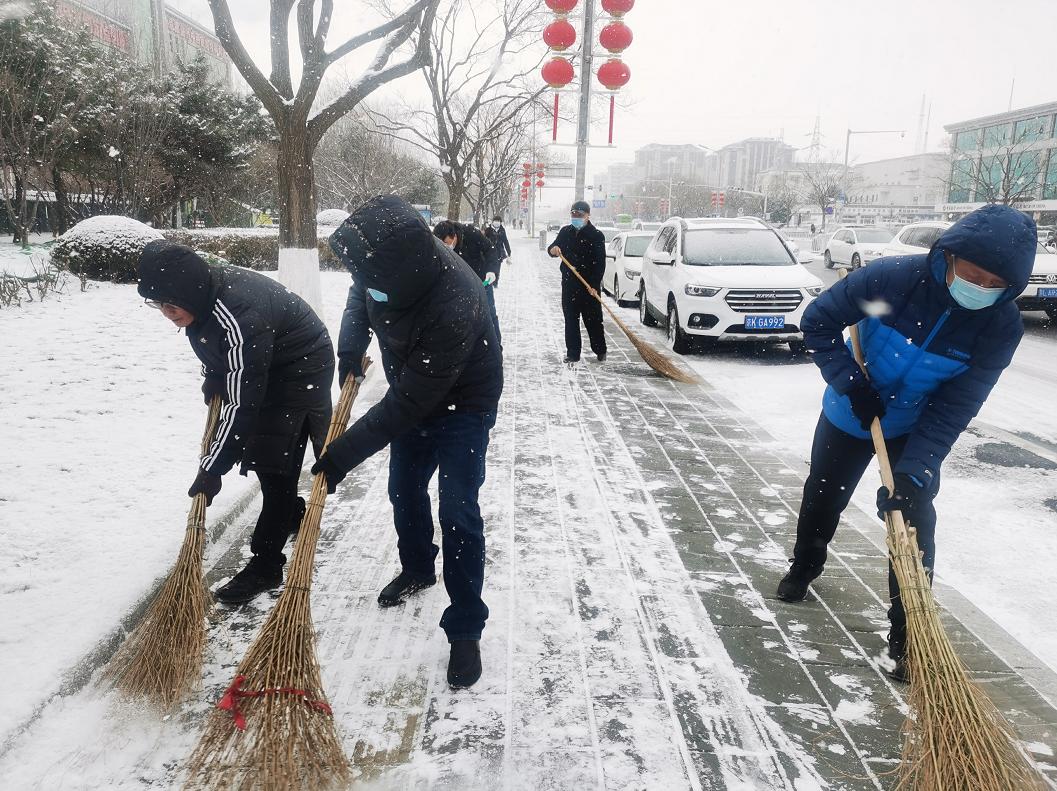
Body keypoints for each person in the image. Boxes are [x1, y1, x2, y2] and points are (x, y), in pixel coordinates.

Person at [775, 204, 1036, 681]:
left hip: (914, 427)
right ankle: (804, 566)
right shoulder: (892, 281)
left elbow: (958, 404)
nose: (979, 288)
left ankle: (907, 632)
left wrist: (917, 471)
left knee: (912, 521)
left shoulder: (998, 327)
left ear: (1010, 287)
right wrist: (851, 384)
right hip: (850, 412)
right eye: (971, 274)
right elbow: (819, 323)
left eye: (993, 283)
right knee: (824, 494)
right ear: (949, 257)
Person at [314, 195, 503, 689]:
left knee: (458, 507)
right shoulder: (383, 268)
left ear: (402, 275)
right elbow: (361, 295)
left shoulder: (455, 299)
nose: (367, 287)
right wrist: (351, 347)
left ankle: (465, 626)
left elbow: (409, 404)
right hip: (415, 387)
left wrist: (342, 456)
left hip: (464, 399)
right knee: (404, 489)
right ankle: (419, 568)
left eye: (375, 282)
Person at [137, 241, 334, 603]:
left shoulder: (240, 313)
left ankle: (266, 564)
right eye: (157, 303)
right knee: (268, 459)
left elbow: (242, 404)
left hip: (301, 366)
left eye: (171, 302)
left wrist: (213, 468)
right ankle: (291, 512)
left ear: (188, 291)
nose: (166, 312)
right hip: (267, 359)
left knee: (275, 465)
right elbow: (218, 345)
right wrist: (216, 372)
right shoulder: (201, 300)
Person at [548, 200, 607, 363]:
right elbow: (553, 248)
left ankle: (600, 350)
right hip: (569, 285)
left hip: (589, 287)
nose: (576, 217)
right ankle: (573, 354)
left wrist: (594, 285)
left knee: (593, 321)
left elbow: (600, 264)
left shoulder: (596, 235)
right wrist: (553, 250)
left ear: (588, 216)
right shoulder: (565, 232)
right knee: (571, 320)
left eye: (580, 215)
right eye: (574, 214)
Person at [434, 219, 501, 345]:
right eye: (442, 245)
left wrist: (492, 271)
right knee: (464, 318)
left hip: (482, 282)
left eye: (447, 243)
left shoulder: (470, 233)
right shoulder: (437, 246)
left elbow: (490, 249)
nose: (446, 247)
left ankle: (496, 346)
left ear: (454, 236)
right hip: (460, 286)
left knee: (489, 314)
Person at [484, 215, 512, 288]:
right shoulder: (488, 230)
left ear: (500, 222)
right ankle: (487, 282)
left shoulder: (502, 230)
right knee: (489, 268)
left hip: (499, 253)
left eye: (498, 221)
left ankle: (495, 283)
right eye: (495, 221)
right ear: (492, 222)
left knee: (497, 269)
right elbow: (483, 240)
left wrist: (509, 252)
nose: (496, 223)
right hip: (489, 253)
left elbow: (505, 241)